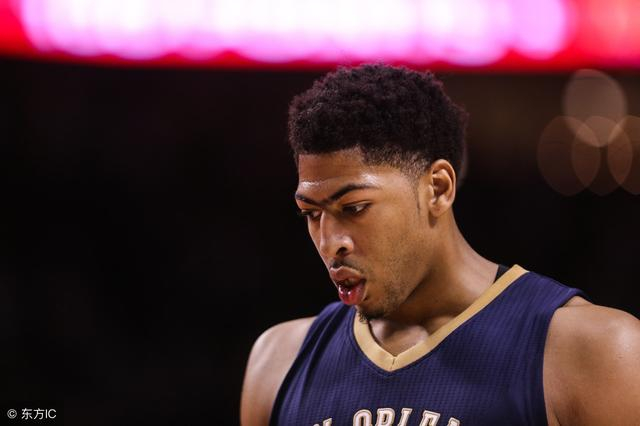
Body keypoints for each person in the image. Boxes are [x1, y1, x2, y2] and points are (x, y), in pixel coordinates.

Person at [240, 64, 640, 426]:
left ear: (438, 188)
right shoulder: (277, 361)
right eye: (311, 213)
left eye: (355, 208)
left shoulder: (596, 352)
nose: (330, 243)